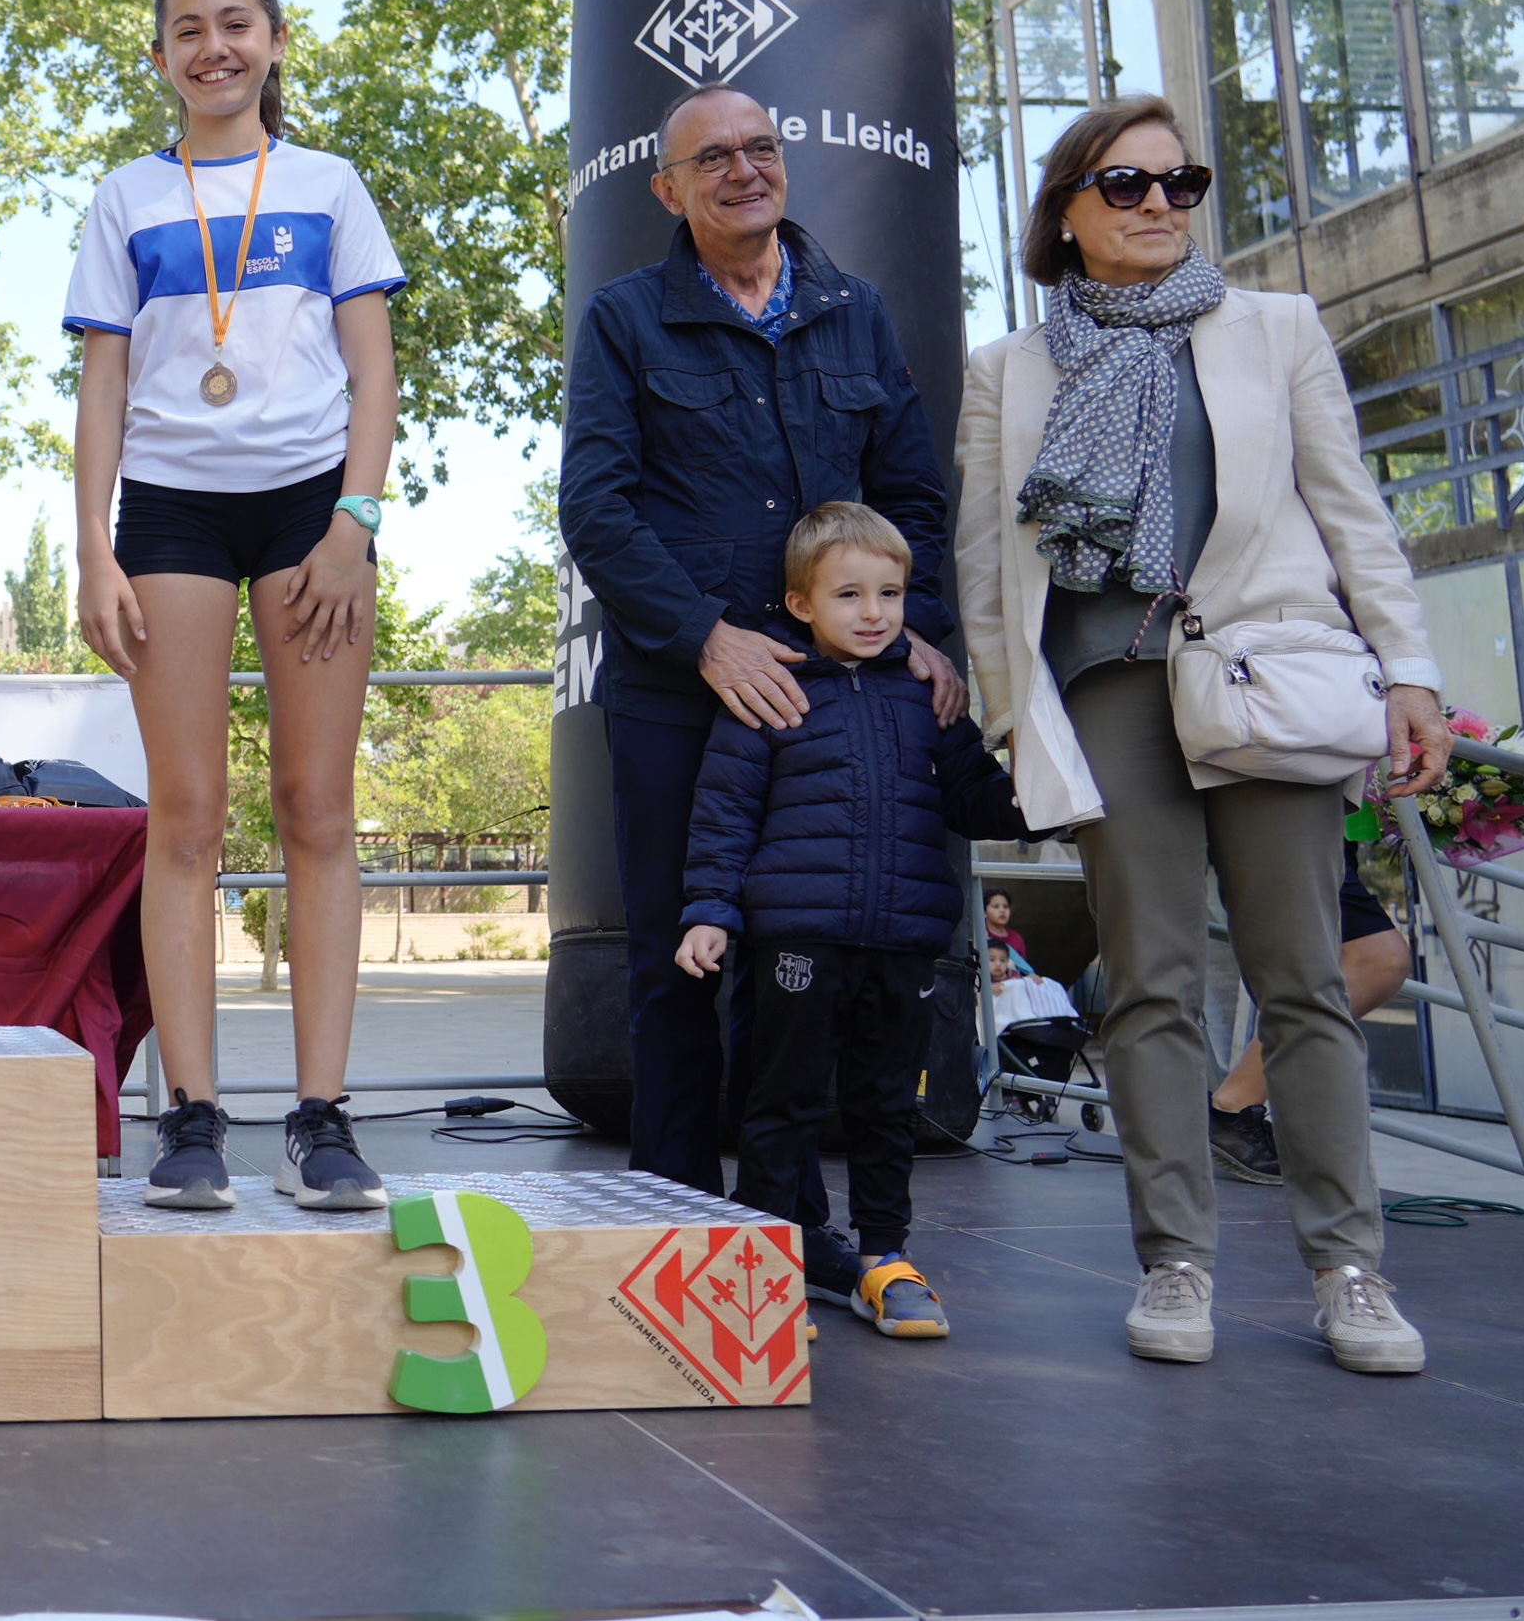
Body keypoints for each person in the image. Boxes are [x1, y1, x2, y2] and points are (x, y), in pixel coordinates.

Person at [954, 94, 1452, 1375]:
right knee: (1152, 986)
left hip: (1263, 673)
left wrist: (1405, 670)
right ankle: (1173, 1265)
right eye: (1125, 187)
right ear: (1064, 212)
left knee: (1303, 981)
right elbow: (980, 569)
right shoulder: (1008, 369)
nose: (1159, 207)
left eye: (1181, 184)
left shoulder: (1272, 328)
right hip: (1107, 687)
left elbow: (1349, 509)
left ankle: (1350, 1271)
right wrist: (1013, 721)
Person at [556, 82, 961, 1286]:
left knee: (800, 963)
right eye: (711, 158)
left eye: (761, 149)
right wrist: (704, 639)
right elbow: (595, 505)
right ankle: (678, 1224)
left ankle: (785, 1229)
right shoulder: (627, 319)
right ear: (665, 188)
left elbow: (914, 501)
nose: (743, 171)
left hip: (838, 711)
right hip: (679, 696)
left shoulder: (855, 313)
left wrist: (919, 631)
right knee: (674, 961)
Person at [68, 0, 405, 1214]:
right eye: (185, 31)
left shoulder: (328, 187)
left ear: (271, 39)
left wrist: (353, 525)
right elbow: (101, 383)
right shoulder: (125, 200)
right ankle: (190, 1118)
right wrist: (92, 545)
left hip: (312, 514)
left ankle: (321, 1118)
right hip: (169, 515)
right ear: (158, 56)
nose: (211, 48)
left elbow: (371, 371)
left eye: (233, 26)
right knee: (186, 817)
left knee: (317, 805)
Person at [677, 502, 1027, 1337]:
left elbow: (974, 797)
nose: (873, 613)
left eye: (889, 593)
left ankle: (883, 1258)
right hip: (796, 940)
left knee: (883, 1106)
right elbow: (723, 811)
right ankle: (757, 1264)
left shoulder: (928, 696)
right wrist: (709, 912)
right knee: (781, 1102)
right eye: (848, 595)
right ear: (800, 603)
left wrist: (1045, 793)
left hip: (904, 942)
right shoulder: (772, 689)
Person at [1209, 857, 1412, 1185]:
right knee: (1376, 959)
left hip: (1325, 828)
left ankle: (1238, 1106)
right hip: (1287, 822)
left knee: (1354, 962)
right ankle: (1234, 1104)